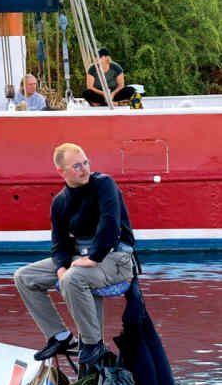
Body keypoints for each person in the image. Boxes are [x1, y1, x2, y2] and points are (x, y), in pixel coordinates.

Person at [13, 143, 136, 366]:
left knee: (74, 277)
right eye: (77, 166)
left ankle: (92, 343)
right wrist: (61, 267)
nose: (85, 169)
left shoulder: (104, 185)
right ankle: (60, 336)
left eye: (86, 162)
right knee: (24, 277)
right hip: (80, 258)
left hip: (115, 258)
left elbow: (110, 225)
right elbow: (59, 244)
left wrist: (93, 258)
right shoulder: (60, 202)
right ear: (62, 172)